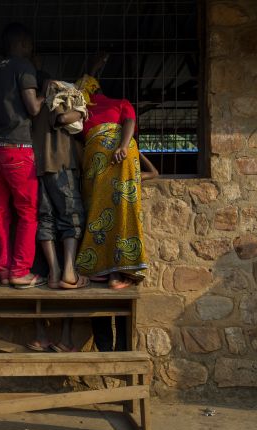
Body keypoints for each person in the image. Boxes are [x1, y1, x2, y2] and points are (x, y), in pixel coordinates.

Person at [27, 75, 90, 352]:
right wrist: (84, 108)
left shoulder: (36, 104)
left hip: (39, 169)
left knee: (46, 220)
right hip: (61, 166)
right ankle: (67, 272)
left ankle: (53, 273)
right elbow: (66, 120)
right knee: (72, 217)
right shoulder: (56, 101)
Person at [74, 72, 150, 290]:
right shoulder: (117, 104)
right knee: (122, 210)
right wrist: (124, 146)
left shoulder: (83, 112)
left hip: (101, 160)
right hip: (119, 157)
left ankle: (103, 269)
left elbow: (80, 142)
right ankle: (116, 273)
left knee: (100, 211)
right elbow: (129, 121)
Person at [0, 23, 46, 288]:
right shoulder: (24, 66)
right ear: (23, 43)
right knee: (27, 212)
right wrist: (47, 93)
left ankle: (2, 269)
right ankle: (20, 271)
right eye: (30, 44)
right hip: (18, 151)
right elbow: (33, 108)